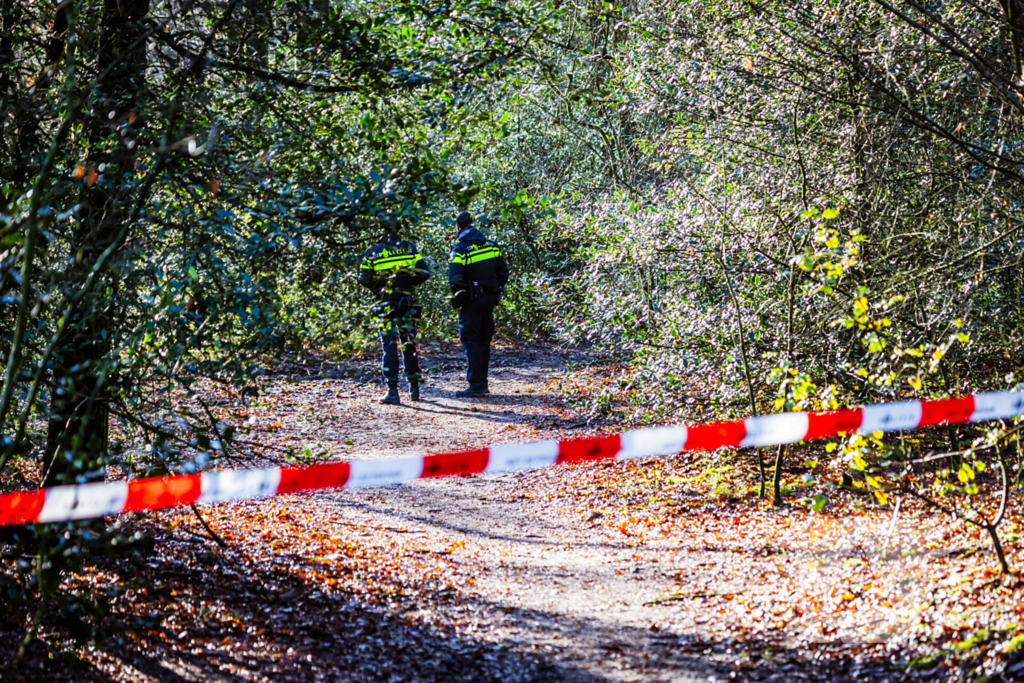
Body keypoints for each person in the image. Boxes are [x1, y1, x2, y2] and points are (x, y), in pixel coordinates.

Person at [359, 228, 431, 405]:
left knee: (389, 347)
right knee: (409, 344)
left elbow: (363, 277)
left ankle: (392, 391)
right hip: (406, 302)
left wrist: (379, 288)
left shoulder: (373, 252)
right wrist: (407, 282)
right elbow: (424, 273)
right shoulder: (410, 249)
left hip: (385, 304)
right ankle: (414, 389)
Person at [448, 211, 509, 398]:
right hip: (489, 300)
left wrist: (458, 300)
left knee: (470, 341)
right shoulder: (491, 246)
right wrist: (492, 289)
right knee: (484, 340)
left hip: (470, 302)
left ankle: (476, 384)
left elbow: (455, 280)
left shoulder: (460, 250)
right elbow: (503, 272)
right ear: (473, 224)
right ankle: (482, 382)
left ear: (458, 227)